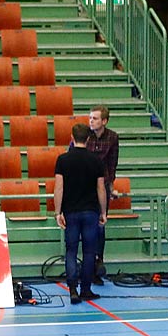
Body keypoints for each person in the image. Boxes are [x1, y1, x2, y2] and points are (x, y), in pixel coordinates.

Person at [53, 122, 108, 305]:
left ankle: (72, 290)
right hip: (90, 211)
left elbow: (59, 188)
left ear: (71, 137)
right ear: (89, 138)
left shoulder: (63, 160)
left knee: (71, 250)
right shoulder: (96, 161)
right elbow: (101, 188)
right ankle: (86, 289)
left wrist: (57, 212)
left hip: (71, 211)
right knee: (89, 251)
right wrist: (103, 211)